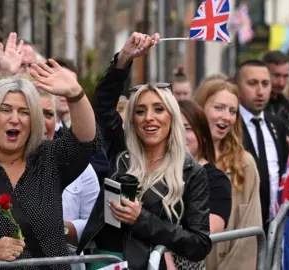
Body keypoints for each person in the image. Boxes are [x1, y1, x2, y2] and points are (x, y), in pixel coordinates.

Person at [0, 59, 101, 270]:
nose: (15, 119)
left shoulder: (50, 160)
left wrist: (75, 94)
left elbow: (87, 142)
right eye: (6, 110)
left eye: (24, 112)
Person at [79, 32, 212, 269]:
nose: (149, 118)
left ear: (172, 117)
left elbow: (199, 243)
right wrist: (124, 60)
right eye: (140, 111)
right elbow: (103, 103)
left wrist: (142, 220)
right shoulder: (122, 153)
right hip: (105, 261)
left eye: (158, 109)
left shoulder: (191, 171)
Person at [195, 79, 262, 269]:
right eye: (219, 108)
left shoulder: (244, 163)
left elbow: (250, 229)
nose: (227, 117)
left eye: (232, 111)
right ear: (200, 109)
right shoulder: (180, 158)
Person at [234, 60, 288, 232]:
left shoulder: (277, 124)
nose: (260, 91)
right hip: (242, 223)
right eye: (252, 83)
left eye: (265, 84)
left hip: (273, 222)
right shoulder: (230, 124)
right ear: (237, 88)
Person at [178, 99, 231, 233]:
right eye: (174, 128)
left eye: (187, 128)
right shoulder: (157, 171)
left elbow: (205, 233)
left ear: (203, 135)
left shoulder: (216, 180)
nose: (180, 135)